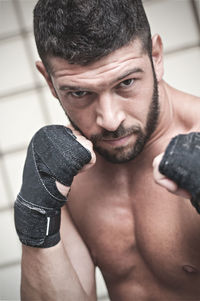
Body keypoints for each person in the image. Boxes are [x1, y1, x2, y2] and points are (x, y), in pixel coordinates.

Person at [15, 0, 200, 300]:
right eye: (79, 93)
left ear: (155, 56)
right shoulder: (66, 173)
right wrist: (34, 216)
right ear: (50, 81)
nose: (110, 120)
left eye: (126, 82)